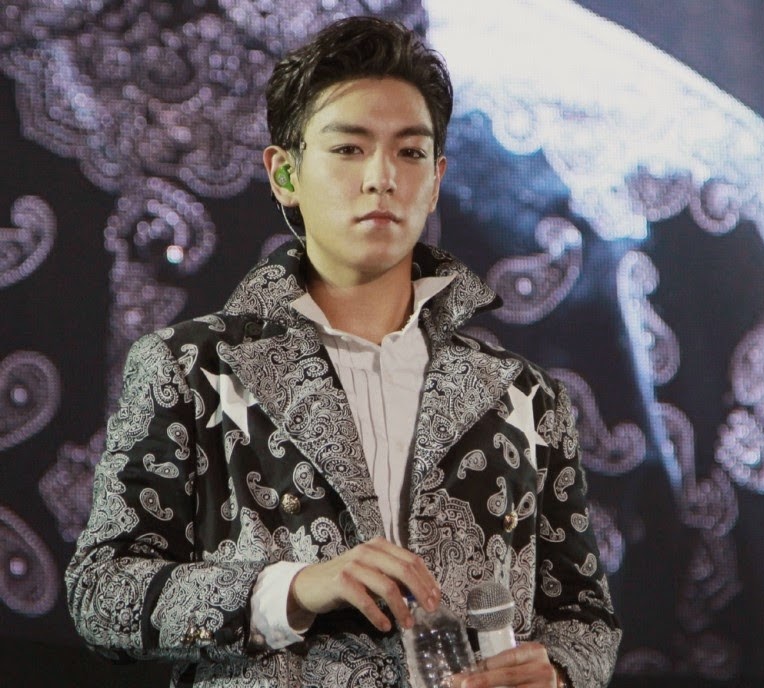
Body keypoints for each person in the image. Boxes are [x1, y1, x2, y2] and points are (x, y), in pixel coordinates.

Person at [65, 15, 620, 688]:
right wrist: (293, 589)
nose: (382, 177)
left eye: (410, 153)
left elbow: (584, 620)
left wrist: (558, 673)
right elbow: (102, 592)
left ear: (436, 179)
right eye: (350, 148)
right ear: (285, 174)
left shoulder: (525, 397)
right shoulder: (192, 369)